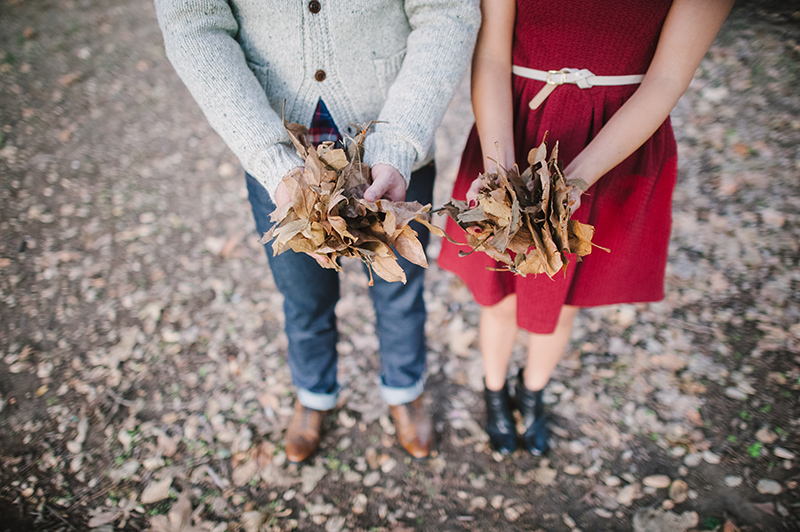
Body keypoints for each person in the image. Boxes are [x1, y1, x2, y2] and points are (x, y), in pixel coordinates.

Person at [154, 1, 480, 462]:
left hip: (392, 148)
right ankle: (313, 395)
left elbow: (447, 12)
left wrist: (399, 140)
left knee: (401, 287)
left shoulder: (397, 145)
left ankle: (405, 389)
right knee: (303, 294)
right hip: (282, 158)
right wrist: (272, 160)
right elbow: (193, 26)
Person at [438, 0, 733, 455]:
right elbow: (492, 55)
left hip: (612, 140)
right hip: (514, 124)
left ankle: (533, 390)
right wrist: (502, 169)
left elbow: (668, 78)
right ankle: (494, 392)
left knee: (564, 287)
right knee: (497, 287)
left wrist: (576, 179)